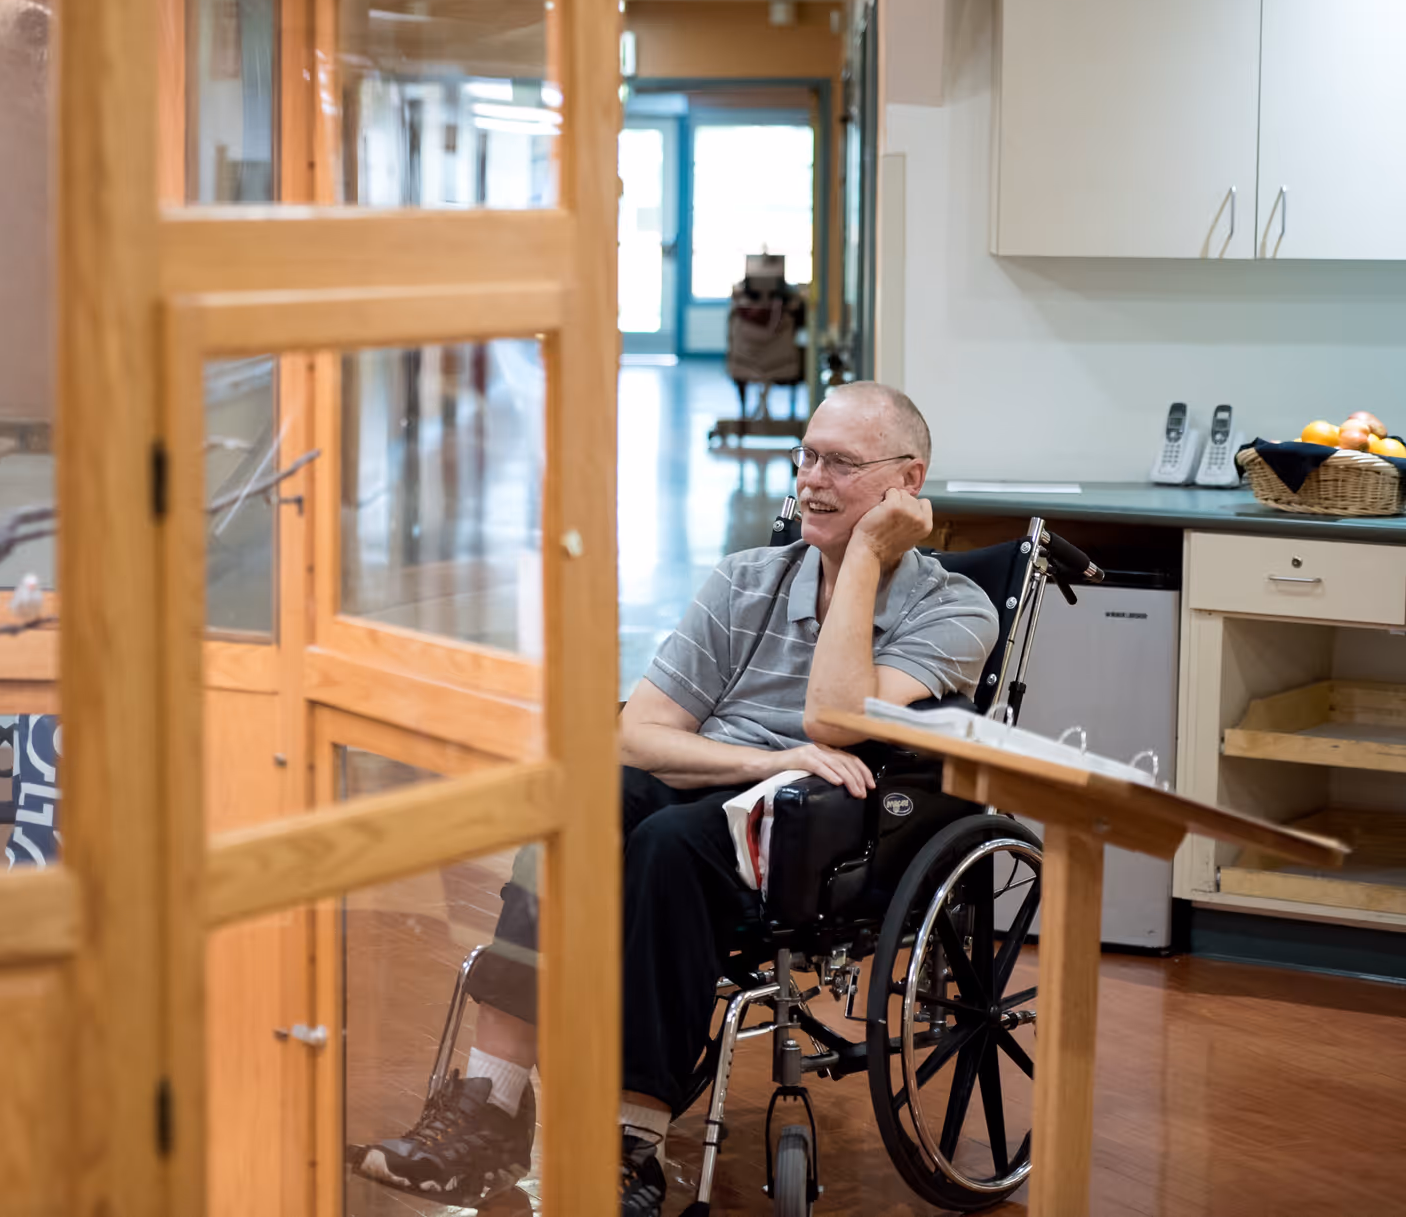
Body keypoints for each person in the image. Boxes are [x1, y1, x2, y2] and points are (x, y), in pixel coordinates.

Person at [350, 382, 999, 1215]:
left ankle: (632, 1146)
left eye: (840, 463)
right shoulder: (744, 581)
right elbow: (639, 735)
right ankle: (490, 1106)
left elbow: (832, 719)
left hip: (823, 822)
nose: (810, 479)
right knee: (581, 804)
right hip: (721, 780)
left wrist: (865, 557)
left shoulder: (956, 608)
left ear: (907, 481)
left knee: (669, 845)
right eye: (806, 456)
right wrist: (747, 760)